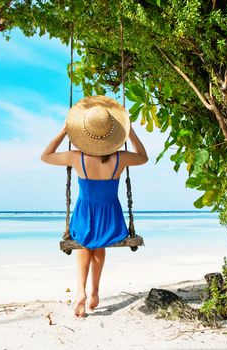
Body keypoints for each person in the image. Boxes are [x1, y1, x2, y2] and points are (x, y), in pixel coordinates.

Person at [41, 95, 148, 318]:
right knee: (98, 243)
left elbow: (46, 156)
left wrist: (64, 131)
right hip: (111, 217)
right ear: (111, 135)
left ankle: (80, 291)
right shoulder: (121, 158)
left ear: (85, 133)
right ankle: (95, 292)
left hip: (84, 213)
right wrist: (131, 132)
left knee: (85, 243)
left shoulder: (76, 157)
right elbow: (143, 157)